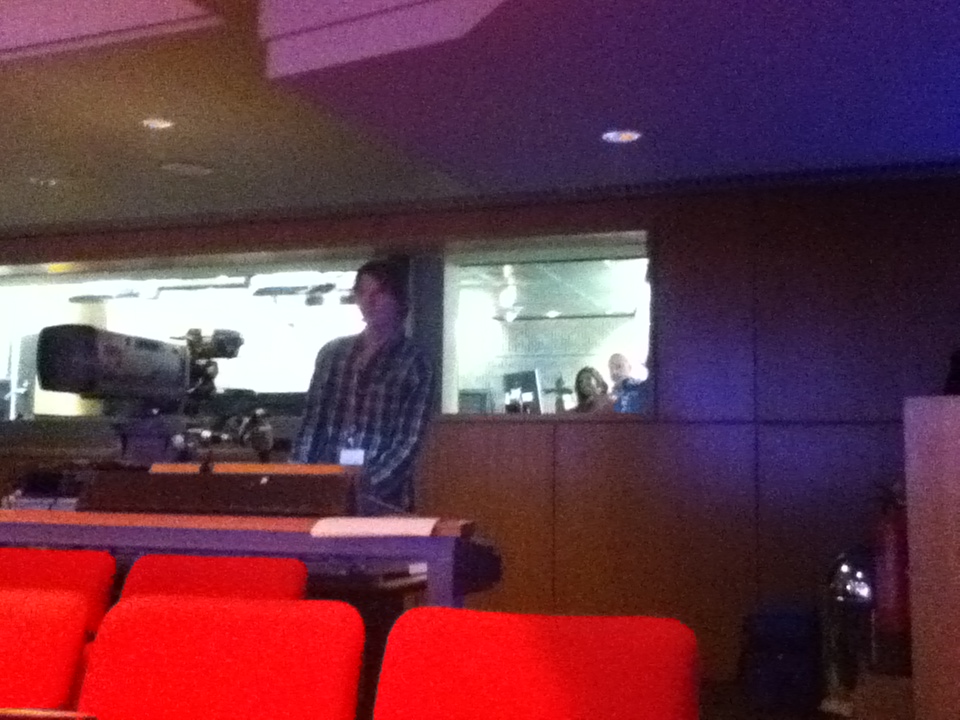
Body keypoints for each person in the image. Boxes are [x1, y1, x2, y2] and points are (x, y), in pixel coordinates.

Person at [291, 258, 434, 515]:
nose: (369, 301)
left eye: (379, 293)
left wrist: (364, 489)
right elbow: (312, 425)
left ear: (399, 299)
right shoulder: (333, 353)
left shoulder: (416, 363)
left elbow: (408, 442)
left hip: (384, 499)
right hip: (324, 489)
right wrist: (298, 478)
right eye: (362, 293)